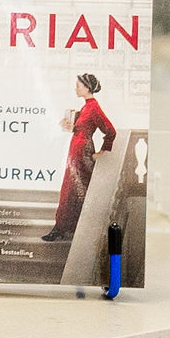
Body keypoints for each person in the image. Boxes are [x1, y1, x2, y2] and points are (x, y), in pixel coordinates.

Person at [47, 72, 115, 240]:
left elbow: (110, 131)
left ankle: (64, 228)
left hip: (82, 151)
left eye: (78, 86)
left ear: (86, 88)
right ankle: (64, 227)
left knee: (76, 189)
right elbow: (80, 127)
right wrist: (69, 122)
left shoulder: (93, 107)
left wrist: (101, 151)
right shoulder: (86, 106)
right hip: (75, 149)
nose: (75, 88)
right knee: (70, 188)